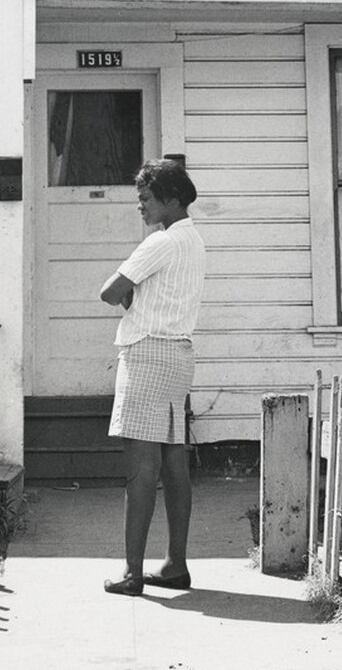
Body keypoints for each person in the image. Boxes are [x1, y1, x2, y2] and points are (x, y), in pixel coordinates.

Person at [99, 158, 206, 597]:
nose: (140, 206)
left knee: (140, 468)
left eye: (146, 199)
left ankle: (132, 572)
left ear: (171, 199)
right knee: (173, 462)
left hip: (146, 353)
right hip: (179, 353)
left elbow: (109, 292)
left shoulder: (160, 243)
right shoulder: (193, 240)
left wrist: (134, 300)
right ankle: (175, 565)